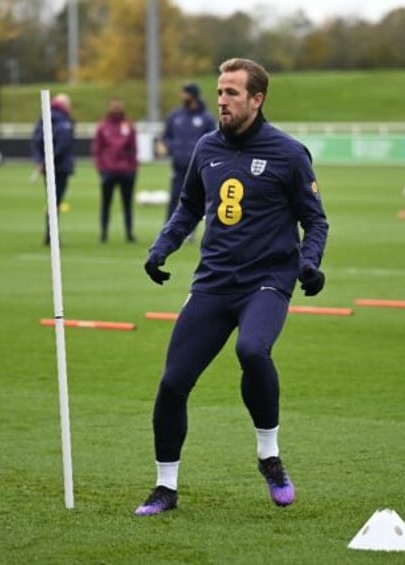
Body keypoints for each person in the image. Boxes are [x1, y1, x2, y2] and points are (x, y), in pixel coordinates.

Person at [135, 58, 329, 516]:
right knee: (172, 383)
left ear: (257, 99)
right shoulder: (206, 148)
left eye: (232, 93)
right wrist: (161, 247)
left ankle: (269, 456)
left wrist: (310, 263)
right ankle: (166, 488)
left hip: (267, 280)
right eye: (220, 91)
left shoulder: (289, 152)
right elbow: (188, 207)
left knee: (252, 351)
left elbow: (314, 219)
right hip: (214, 282)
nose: (221, 100)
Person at [161, 83, 216, 221]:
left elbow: (213, 141)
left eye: (185, 93)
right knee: (174, 197)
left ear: (193, 95)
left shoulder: (206, 118)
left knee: (196, 200)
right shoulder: (175, 116)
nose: (182, 96)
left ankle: (190, 230)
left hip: (197, 168)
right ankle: (167, 228)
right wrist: (171, 148)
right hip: (178, 166)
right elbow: (166, 136)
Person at [92, 98, 138, 243]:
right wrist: (101, 168)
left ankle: (129, 234)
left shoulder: (128, 126)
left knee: (127, 204)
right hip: (108, 171)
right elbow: (97, 149)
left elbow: (133, 148)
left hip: (126, 171)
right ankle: (103, 234)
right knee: (106, 203)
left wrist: (132, 167)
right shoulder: (103, 127)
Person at [31, 93, 75, 246]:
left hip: (52, 166)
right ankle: (51, 235)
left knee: (53, 201)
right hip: (59, 167)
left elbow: (36, 140)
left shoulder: (45, 118)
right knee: (54, 201)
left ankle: (51, 234)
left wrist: (40, 161)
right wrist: (48, 161)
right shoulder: (62, 121)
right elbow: (62, 144)